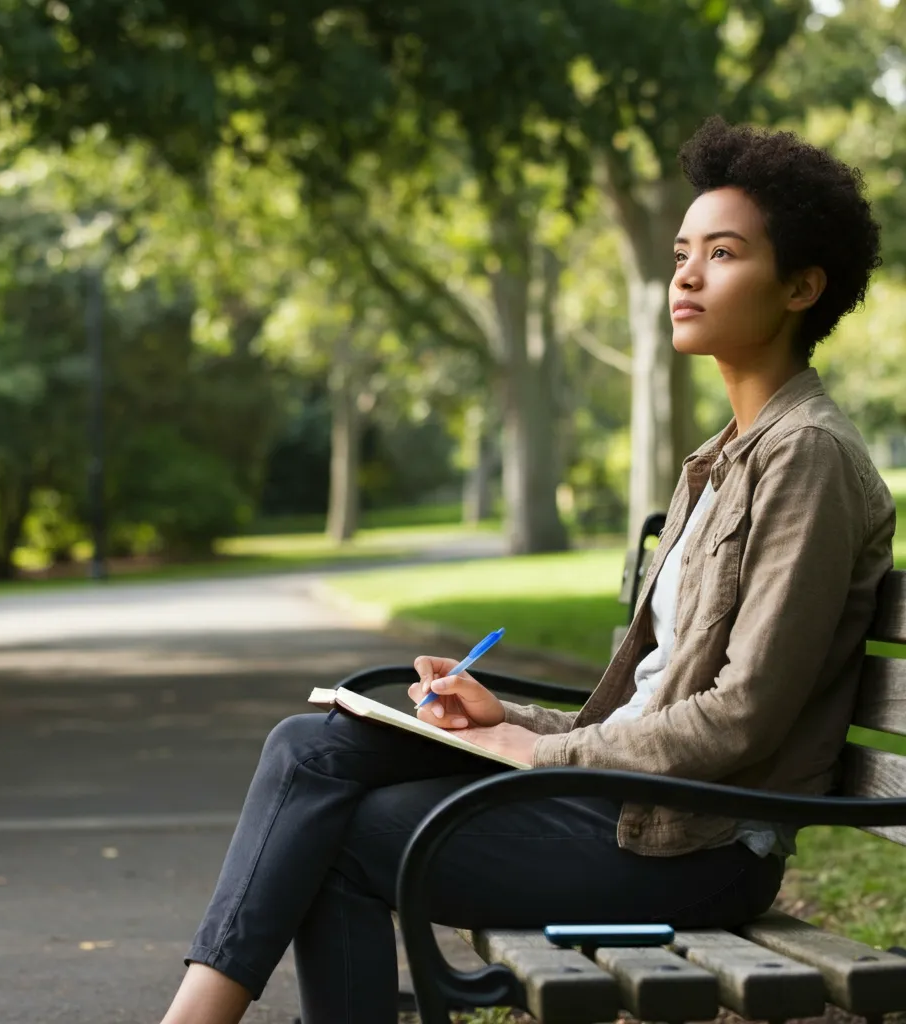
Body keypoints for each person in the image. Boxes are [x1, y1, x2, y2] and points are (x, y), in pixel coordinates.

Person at [159, 116, 895, 1024]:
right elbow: (650, 705)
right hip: (629, 804)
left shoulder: (809, 457)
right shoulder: (724, 457)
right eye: (680, 254)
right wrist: (504, 717)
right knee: (310, 747)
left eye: (724, 254)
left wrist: (540, 751)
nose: (687, 276)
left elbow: (744, 716)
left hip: (694, 851)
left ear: (802, 286)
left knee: (333, 837)